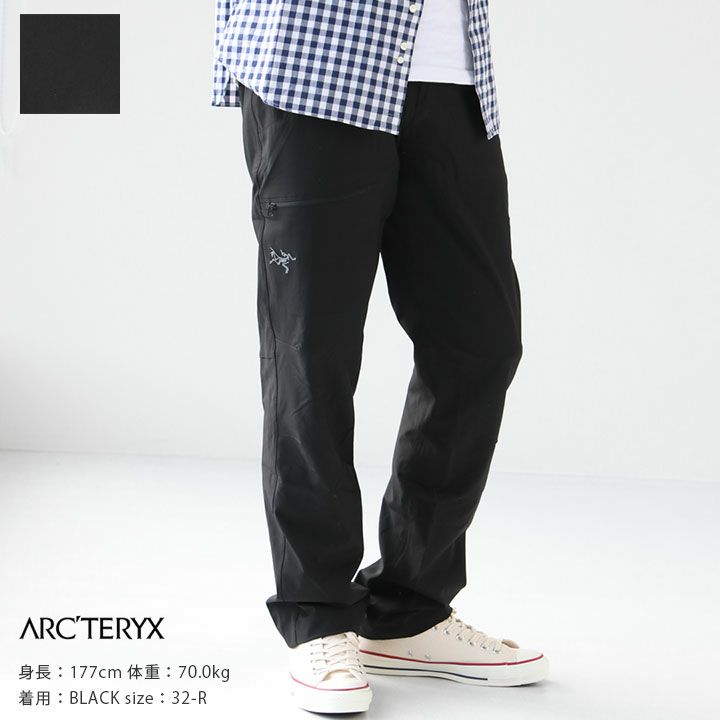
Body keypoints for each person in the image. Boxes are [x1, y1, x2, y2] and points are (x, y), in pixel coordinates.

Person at [212, 0, 548, 712]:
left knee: (480, 341)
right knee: (312, 353)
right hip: (315, 64)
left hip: (451, 75)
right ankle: (318, 615)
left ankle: (407, 609)